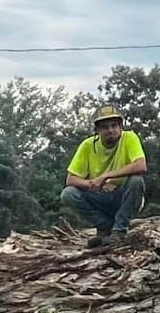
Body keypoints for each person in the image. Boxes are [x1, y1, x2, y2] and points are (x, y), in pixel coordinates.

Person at [60, 105, 147, 247]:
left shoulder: (129, 138)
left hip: (124, 196)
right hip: (100, 196)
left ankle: (119, 231)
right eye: (105, 127)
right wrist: (96, 184)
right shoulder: (88, 145)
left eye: (114, 125)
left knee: (136, 181)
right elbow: (70, 179)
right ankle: (105, 226)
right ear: (98, 130)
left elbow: (141, 165)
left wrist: (106, 176)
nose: (110, 130)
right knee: (68, 193)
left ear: (121, 126)